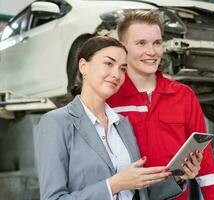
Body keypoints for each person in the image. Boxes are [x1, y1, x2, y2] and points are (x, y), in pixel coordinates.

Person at [36, 36, 202, 200]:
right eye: (109, 63)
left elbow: (140, 194)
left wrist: (179, 176)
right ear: (83, 66)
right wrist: (114, 185)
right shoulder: (56, 123)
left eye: (122, 68)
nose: (117, 74)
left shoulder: (122, 124)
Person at [107, 10, 214, 200]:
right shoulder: (109, 98)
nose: (152, 52)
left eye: (157, 43)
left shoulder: (183, 95)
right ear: (123, 48)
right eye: (141, 43)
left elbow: (207, 166)